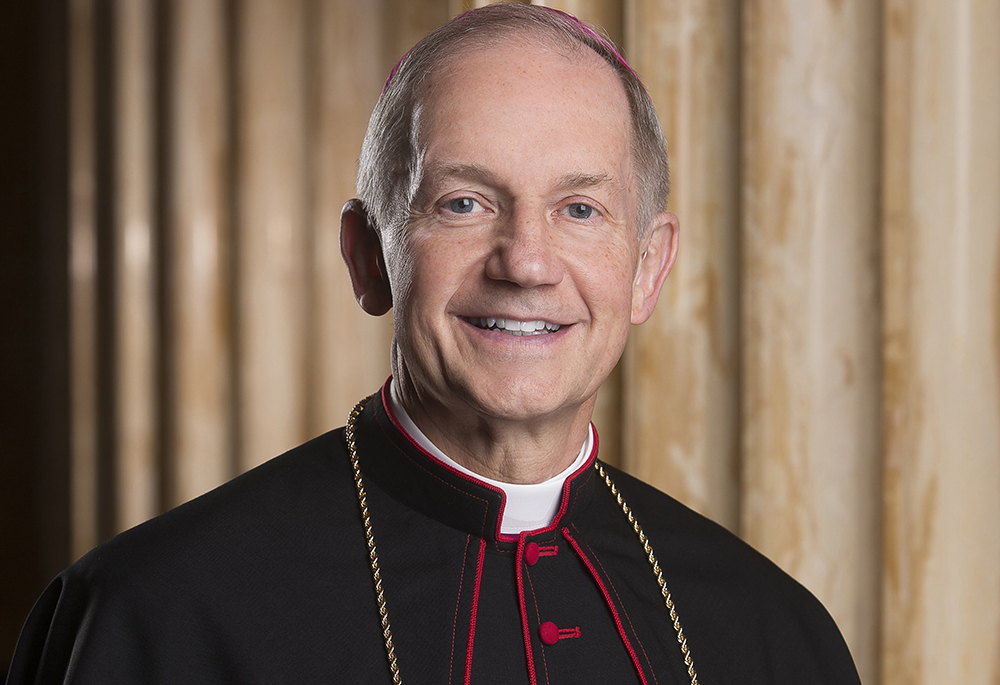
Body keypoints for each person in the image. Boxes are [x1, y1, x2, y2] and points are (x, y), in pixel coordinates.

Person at [7, 5, 861, 684]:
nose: (526, 262)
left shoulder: (769, 631)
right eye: (464, 203)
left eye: (580, 209)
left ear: (647, 268)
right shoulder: (159, 615)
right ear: (368, 257)